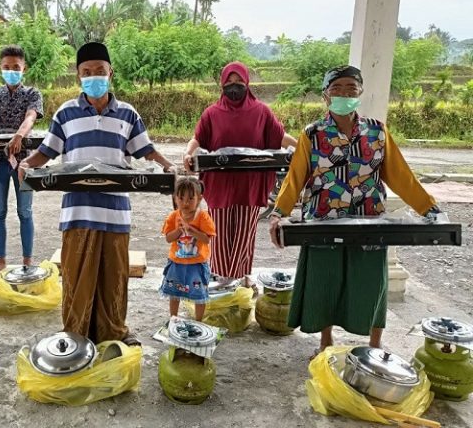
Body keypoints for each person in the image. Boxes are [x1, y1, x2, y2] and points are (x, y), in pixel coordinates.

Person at [268, 65, 442, 358]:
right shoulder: (312, 134)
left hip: (369, 218)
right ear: (326, 96)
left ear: (360, 93)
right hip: (324, 219)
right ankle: (326, 341)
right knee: (325, 277)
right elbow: (295, 177)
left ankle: (375, 344)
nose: (344, 94)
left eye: (351, 88)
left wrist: (430, 208)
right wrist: (278, 212)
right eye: (337, 89)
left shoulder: (376, 131)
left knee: (370, 279)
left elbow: (401, 176)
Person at [18, 42, 176, 345]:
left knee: (113, 278)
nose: (93, 76)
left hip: (116, 212)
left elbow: (146, 151)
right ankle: (76, 338)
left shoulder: (128, 114)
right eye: (86, 72)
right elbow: (45, 152)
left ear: (110, 73)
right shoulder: (66, 113)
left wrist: (169, 166)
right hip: (77, 212)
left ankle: (113, 334)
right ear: (78, 76)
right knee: (77, 278)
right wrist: (27, 163)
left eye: (99, 71)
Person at [183, 61, 297, 289]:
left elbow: (280, 136)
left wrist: (303, 151)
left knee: (245, 234)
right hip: (220, 184)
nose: (234, 87)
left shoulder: (261, 111)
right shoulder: (212, 113)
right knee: (221, 232)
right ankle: (222, 276)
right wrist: (187, 154)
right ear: (222, 84)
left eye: (239, 83)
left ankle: (243, 277)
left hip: (250, 185)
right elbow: (198, 139)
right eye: (229, 83)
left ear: (247, 84)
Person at [0, 45, 43, 275]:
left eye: (16, 67)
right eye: (6, 67)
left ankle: (27, 261)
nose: (11, 71)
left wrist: (19, 135)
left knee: (25, 212)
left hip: (24, 162)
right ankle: (1, 262)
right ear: (0, 68)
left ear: (24, 68)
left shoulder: (32, 94)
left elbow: (31, 117)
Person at [160, 177, 216, 322]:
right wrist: (179, 230)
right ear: (175, 198)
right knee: (174, 293)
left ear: (199, 198)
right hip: (176, 262)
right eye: (181, 198)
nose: (185, 203)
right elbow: (168, 238)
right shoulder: (173, 216)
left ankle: (199, 321)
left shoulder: (203, 217)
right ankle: (173, 318)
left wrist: (193, 231)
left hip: (197, 264)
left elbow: (207, 239)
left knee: (200, 294)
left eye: (191, 199)